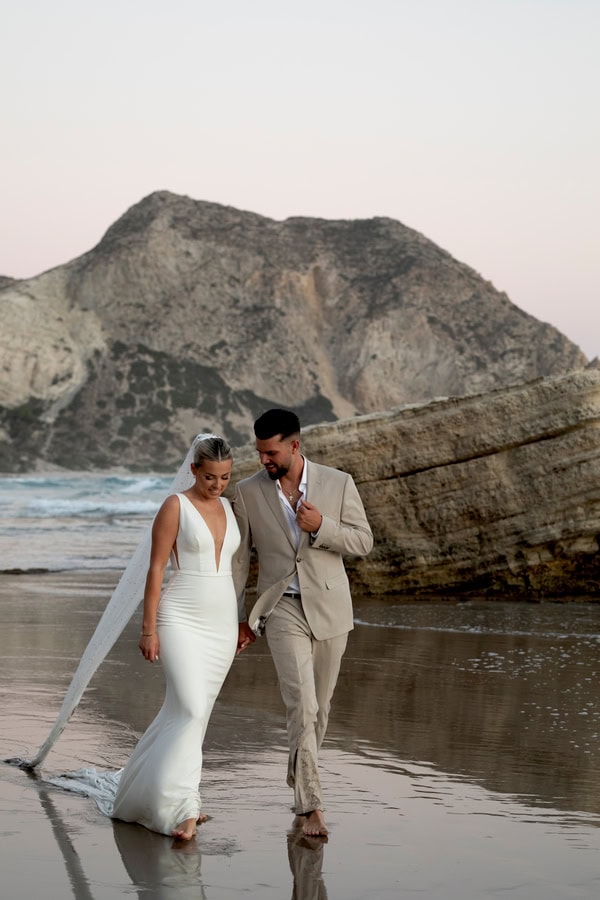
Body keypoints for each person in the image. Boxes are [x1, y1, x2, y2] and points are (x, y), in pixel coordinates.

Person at [233, 408, 373, 837]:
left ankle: (300, 777)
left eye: (271, 452)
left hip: (331, 609)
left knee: (321, 710)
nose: (264, 461)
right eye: (259, 453)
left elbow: (363, 541)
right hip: (280, 609)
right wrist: (239, 617)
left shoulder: (338, 482)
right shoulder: (246, 492)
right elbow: (241, 562)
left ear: (295, 446)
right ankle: (310, 806)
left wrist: (321, 526)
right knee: (302, 705)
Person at [110, 434, 240, 840]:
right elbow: (156, 570)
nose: (217, 486)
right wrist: (148, 628)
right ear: (193, 470)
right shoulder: (175, 506)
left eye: (224, 478)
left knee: (192, 717)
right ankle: (185, 808)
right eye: (209, 477)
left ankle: (147, 796)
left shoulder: (230, 507)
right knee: (190, 705)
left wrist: (239, 622)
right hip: (180, 617)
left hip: (221, 623)